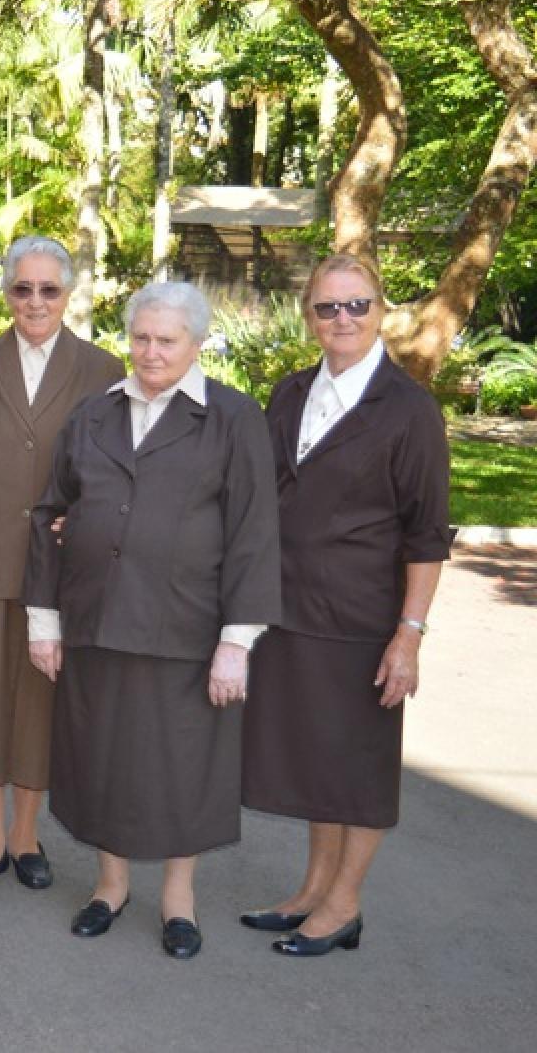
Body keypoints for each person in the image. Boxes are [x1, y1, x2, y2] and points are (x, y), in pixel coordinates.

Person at [23, 280, 280, 959]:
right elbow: (49, 513)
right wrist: (43, 621)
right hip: (96, 622)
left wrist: (238, 640)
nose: (151, 351)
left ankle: (177, 900)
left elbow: (254, 531)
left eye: (167, 340)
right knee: (101, 756)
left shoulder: (232, 417)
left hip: (187, 630)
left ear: (196, 344)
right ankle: (110, 887)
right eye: (141, 337)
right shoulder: (92, 415)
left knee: (180, 766)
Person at [240, 254, 451, 957]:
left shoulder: (410, 409)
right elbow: (260, 494)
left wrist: (409, 636)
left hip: (362, 621)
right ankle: (311, 890)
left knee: (357, 767)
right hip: (291, 610)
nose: (343, 319)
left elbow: (425, 535)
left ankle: (344, 904)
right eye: (328, 308)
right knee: (317, 762)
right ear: (310, 315)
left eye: (356, 305)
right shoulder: (291, 392)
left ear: (382, 309)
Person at [0, 236, 124, 892]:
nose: (35, 301)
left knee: (40, 713)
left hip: (63, 572)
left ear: (68, 294)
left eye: (48, 289)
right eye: (23, 288)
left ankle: (25, 837)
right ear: (6, 292)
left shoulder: (104, 371)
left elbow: (123, 470)